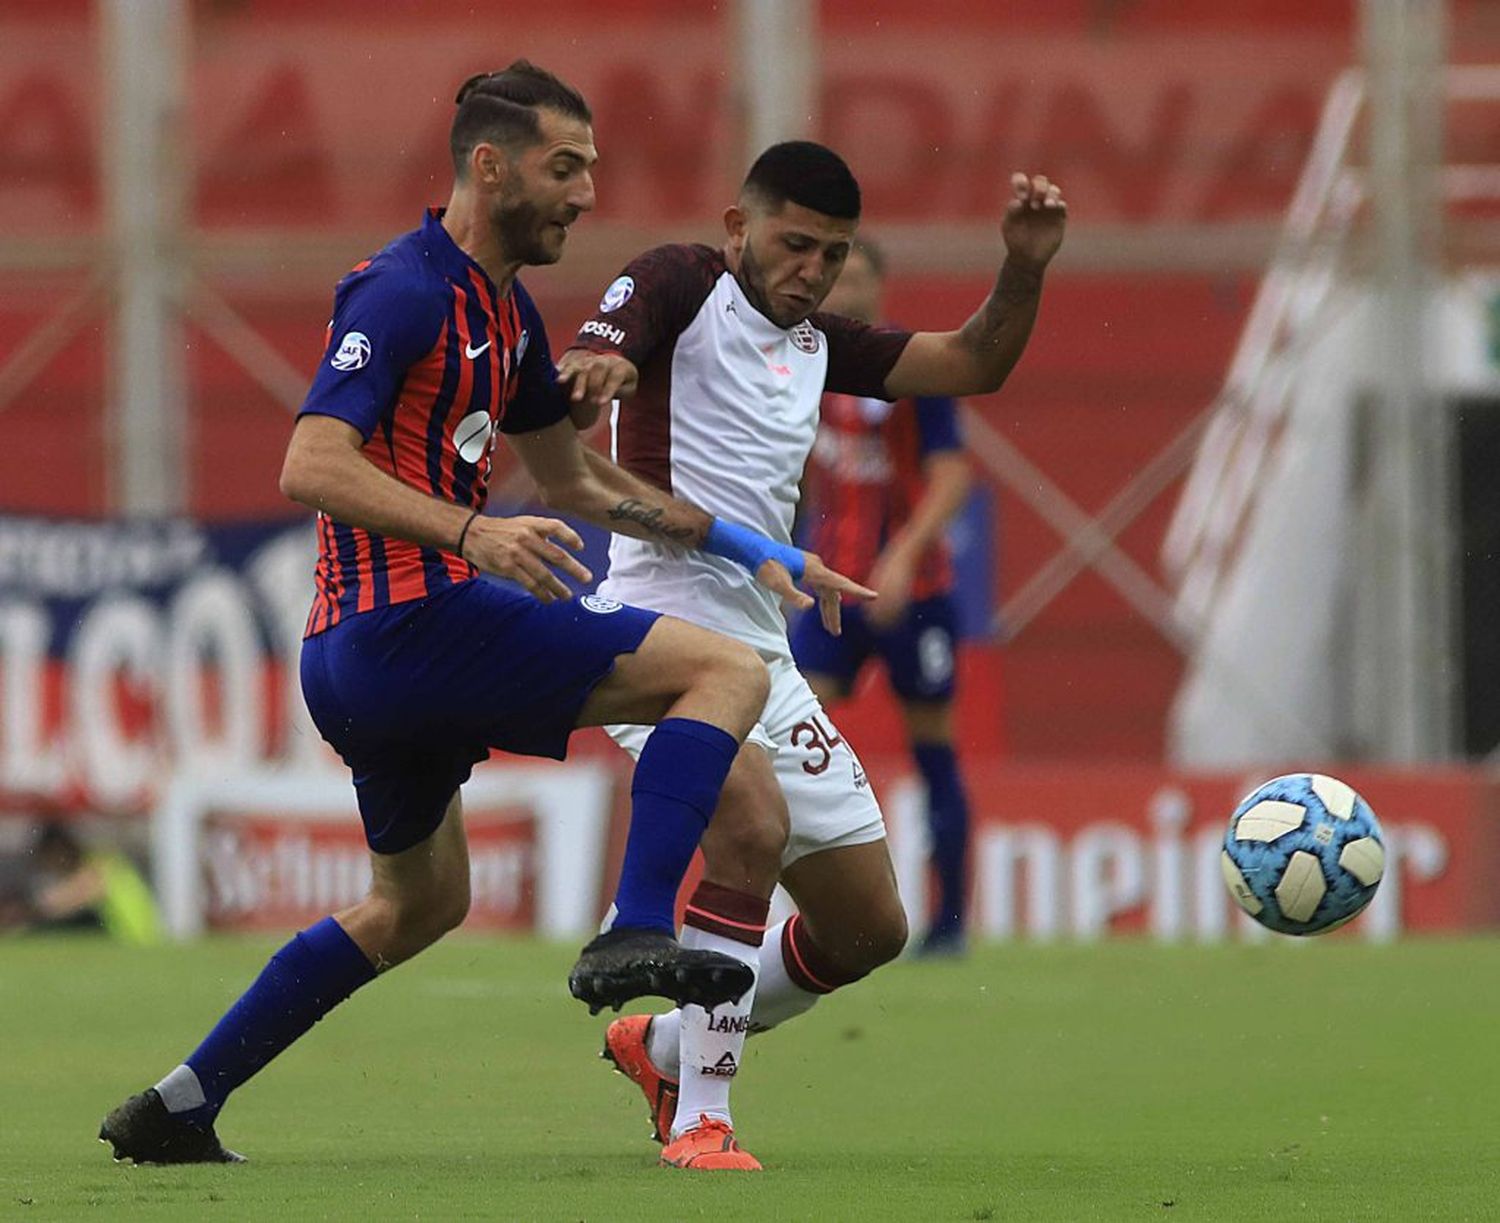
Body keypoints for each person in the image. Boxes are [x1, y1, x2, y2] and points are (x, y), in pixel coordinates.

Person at [98, 63, 868, 1167]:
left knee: (419, 903)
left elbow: (583, 488)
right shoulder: (406, 288)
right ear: (489, 165)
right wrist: (468, 535)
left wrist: (762, 549)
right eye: (565, 168)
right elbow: (309, 462)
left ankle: (180, 1100)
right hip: (406, 626)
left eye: (591, 171)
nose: (585, 194)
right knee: (724, 672)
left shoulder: (502, 314)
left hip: (362, 663)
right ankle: (633, 925)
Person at [559, 141, 1065, 1170]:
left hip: (757, 645)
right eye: (794, 244)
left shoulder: (819, 344)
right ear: (740, 228)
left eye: (830, 254)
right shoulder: (678, 281)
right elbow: (606, 342)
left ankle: (660, 1047)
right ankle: (702, 1114)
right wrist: (600, 364)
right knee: (750, 821)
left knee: (871, 927)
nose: (812, 269)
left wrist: (1023, 266)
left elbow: (973, 363)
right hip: (650, 623)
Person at [791, 236, 975, 956]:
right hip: (832, 587)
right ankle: (789, 912)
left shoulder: (912, 369)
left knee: (934, 752)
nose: (846, 291)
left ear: (880, 286)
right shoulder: (800, 367)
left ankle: (950, 923)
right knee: (786, 739)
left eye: (860, 277)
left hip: (915, 593)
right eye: (838, 278)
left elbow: (952, 476)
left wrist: (901, 558)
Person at [23, 820, 163, 946]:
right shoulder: (101, 860)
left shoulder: (99, 863)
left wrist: (24, 916)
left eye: (47, 859)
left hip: (134, 938)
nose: (49, 866)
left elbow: (65, 900)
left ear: (58, 850)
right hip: (132, 937)